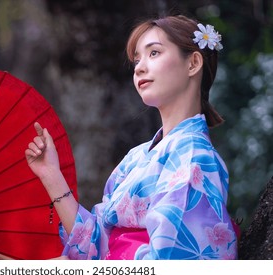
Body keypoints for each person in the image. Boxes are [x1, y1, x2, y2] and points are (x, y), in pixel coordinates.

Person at [25, 14, 238, 260]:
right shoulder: (136, 156)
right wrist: (51, 174)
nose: (139, 67)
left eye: (154, 53)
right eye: (137, 59)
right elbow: (97, 243)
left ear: (193, 64)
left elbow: (176, 261)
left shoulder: (194, 156)